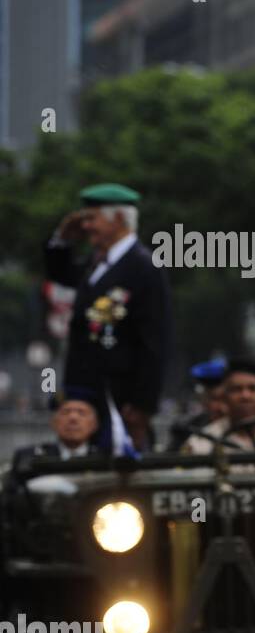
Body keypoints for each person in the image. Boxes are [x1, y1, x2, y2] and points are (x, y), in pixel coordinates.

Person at [44, 183, 172, 451]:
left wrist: (143, 404)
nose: (86, 226)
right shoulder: (98, 262)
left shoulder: (143, 267)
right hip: (87, 393)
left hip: (121, 398)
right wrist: (63, 239)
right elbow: (60, 274)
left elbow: (154, 339)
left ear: (118, 219)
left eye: (92, 218)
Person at [10, 388, 102, 473]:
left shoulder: (106, 459)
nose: (73, 418)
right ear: (53, 423)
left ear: (94, 424)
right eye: (65, 412)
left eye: (81, 413)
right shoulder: (28, 458)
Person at [167, 359, 228, 451]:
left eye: (226, 400)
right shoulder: (187, 431)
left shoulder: (249, 429)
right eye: (216, 399)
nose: (222, 408)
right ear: (204, 401)